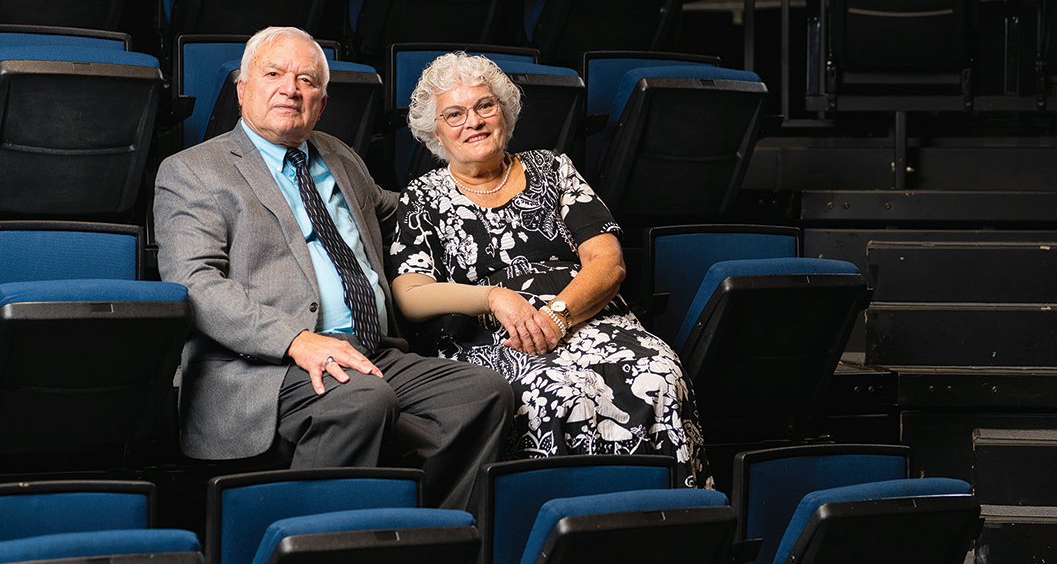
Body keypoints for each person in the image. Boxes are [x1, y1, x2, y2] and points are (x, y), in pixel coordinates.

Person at [154, 27, 512, 510]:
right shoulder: (193, 171)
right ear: (242, 88)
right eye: (274, 73)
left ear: (321, 103)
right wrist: (297, 340)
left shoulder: (338, 155)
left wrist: (492, 183)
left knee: (483, 392)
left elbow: (407, 210)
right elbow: (194, 284)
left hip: (372, 351)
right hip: (264, 365)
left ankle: (423, 537)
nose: (290, 88)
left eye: (307, 80)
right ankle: (318, 541)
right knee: (361, 399)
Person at [389, 52, 709, 487]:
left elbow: (607, 262)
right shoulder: (423, 196)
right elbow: (410, 293)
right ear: (436, 132)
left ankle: (665, 520)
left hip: (590, 317)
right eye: (454, 113)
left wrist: (559, 314)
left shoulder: (553, 169)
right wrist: (493, 297)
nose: (474, 121)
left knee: (660, 372)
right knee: (558, 391)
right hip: (497, 339)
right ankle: (561, 530)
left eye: (485, 105)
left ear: (505, 112)